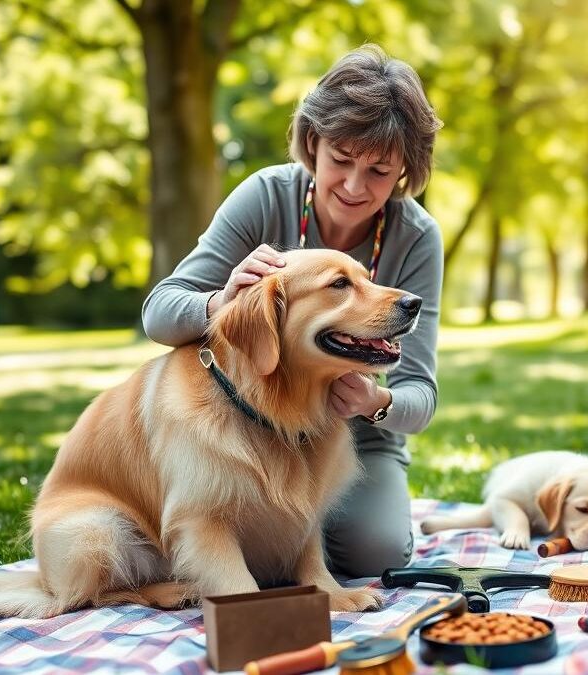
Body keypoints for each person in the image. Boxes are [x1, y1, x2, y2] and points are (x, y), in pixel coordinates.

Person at [142, 44, 444, 578]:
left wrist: (376, 400)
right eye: (341, 160)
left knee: (376, 552)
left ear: (403, 172)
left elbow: (420, 395)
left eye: (378, 170)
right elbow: (160, 313)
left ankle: (279, 541)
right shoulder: (264, 195)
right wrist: (223, 299)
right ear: (313, 142)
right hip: (250, 422)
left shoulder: (416, 238)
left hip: (352, 433)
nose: (354, 187)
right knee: (232, 533)